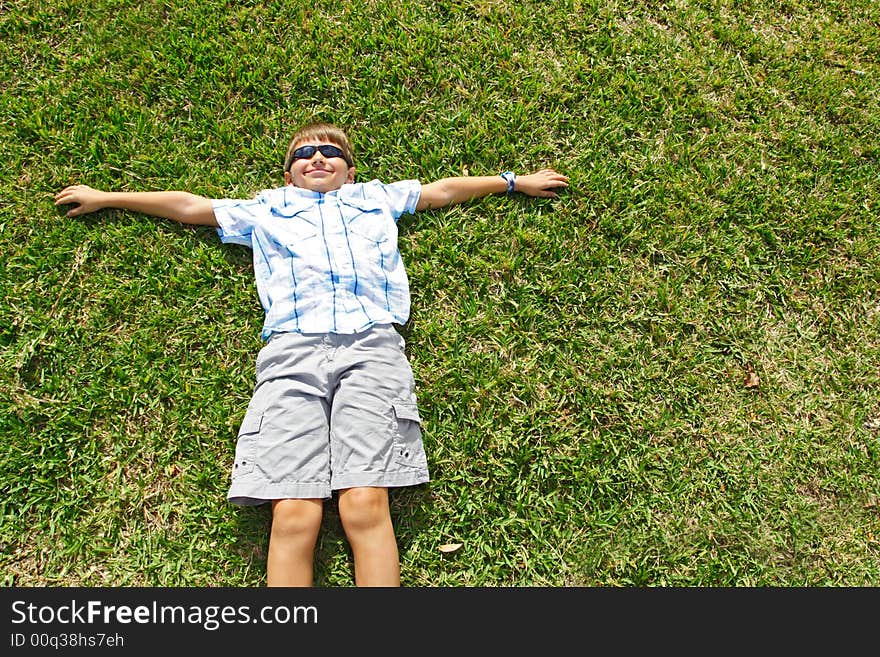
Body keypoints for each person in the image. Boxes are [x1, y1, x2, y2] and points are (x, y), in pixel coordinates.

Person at [55, 122, 569, 586]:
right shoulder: (266, 208)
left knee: (365, 503)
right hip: (290, 356)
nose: (317, 158)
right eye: (305, 153)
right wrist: (108, 197)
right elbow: (190, 207)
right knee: (294, 511)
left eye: (330, 152)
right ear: (289, 172)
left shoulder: (375, 197)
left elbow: (442, 192)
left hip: (372, 350)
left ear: (348, 171)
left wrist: (513, 182)